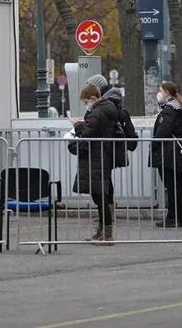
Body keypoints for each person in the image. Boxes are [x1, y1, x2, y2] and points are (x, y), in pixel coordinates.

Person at [84, 74, 138, 224]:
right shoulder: (114, 102)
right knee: (105, 180)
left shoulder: (106, 104)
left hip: (106, 149)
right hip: (111, 148)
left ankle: (107, 215)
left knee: (103, 182)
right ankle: (107, 212)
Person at [73, 84, 119, 244]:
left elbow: (86, 132)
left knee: (100, 197)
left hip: (96, 158)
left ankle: (107, 233)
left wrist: (77, 125)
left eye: (86, 101)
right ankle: (102, 231)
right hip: (101, 156)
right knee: (100, 196)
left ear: (93, 98)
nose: (86, 104)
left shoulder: (98, 112)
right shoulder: (106, 109)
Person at [150, 81, 182, 229]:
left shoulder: (169, 109)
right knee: (178, 186)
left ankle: (172, 218)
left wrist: (154, 143)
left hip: (169, 153)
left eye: (160, 90)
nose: (159, 93)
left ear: (167, 93)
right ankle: (180, 218)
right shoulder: (178, 107)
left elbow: (164, 131)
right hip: (177, 153)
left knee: (172, 187)